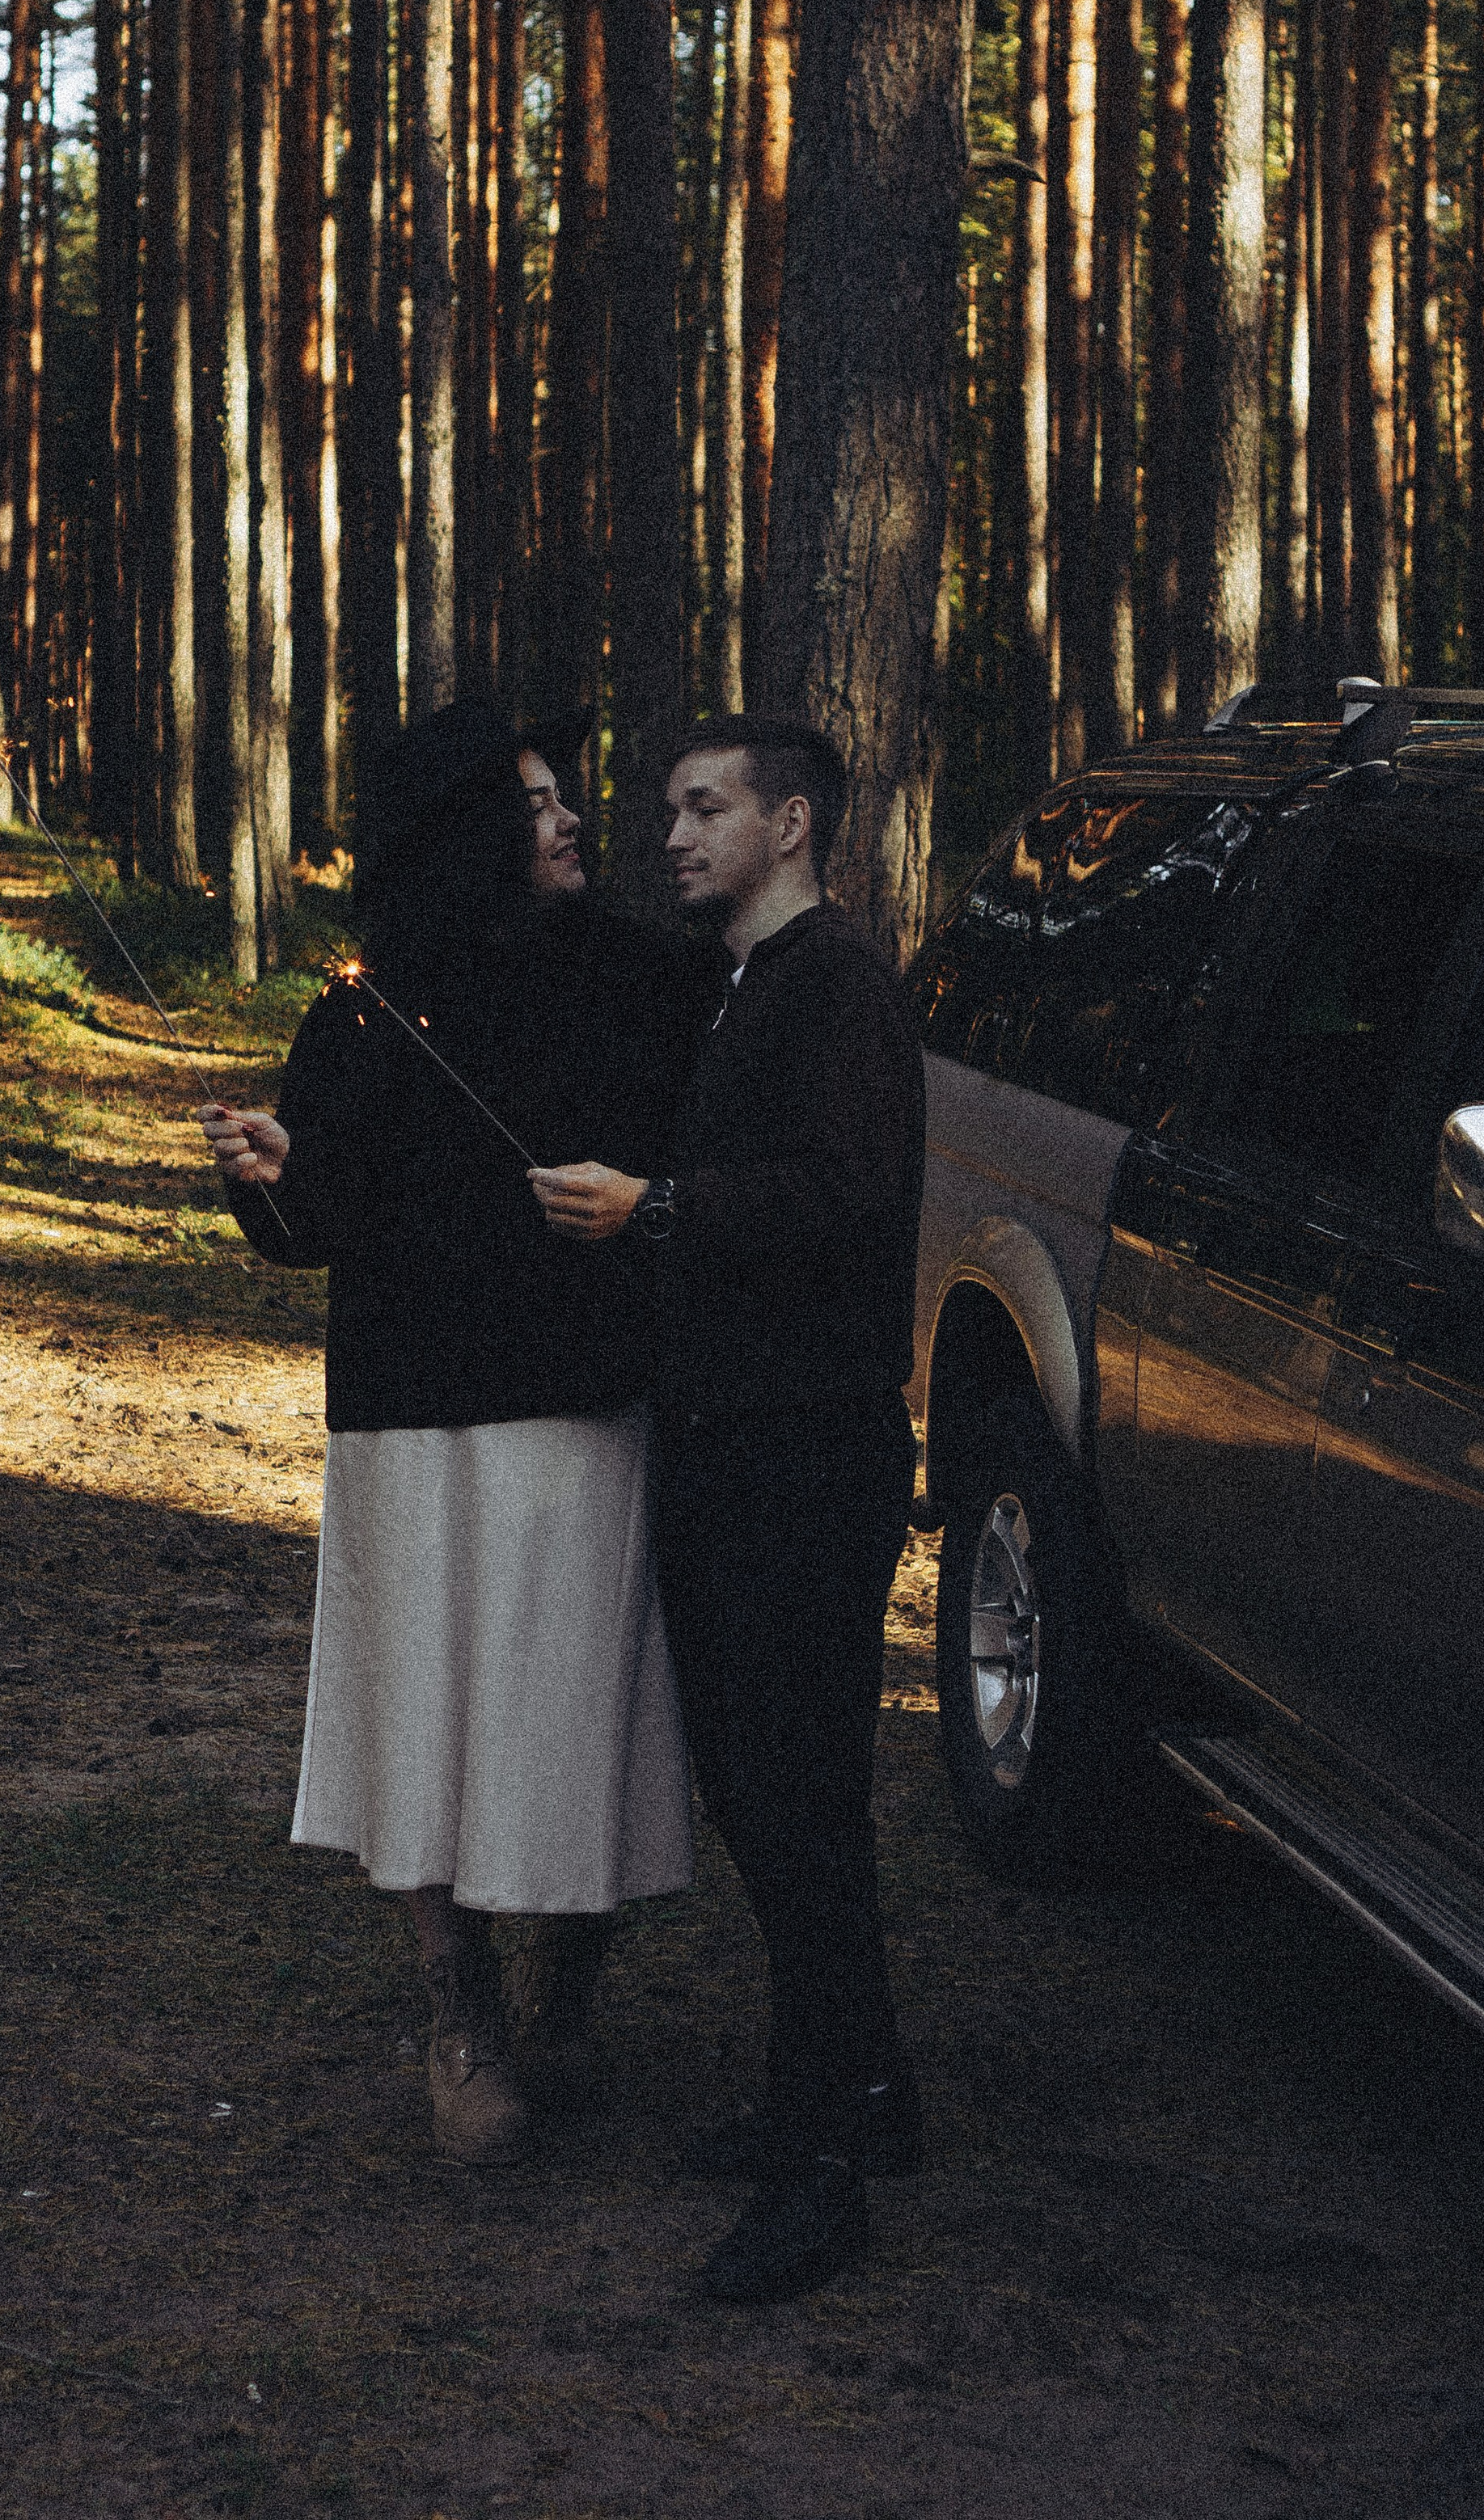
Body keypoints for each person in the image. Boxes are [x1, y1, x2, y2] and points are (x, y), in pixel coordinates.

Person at [201, 699, 702, 2168]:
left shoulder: (642, 981)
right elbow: (320, 1229)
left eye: (564, 799)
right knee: (423, 1710)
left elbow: (687, 1176)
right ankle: (457, 2009)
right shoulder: (360, 1012)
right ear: (463, 835)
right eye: (533, 804)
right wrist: (273, 1177)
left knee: (559, 1706)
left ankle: (566, 1961)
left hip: (575, 1400)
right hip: (413, 1412)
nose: (566, 824)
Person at [530, 715, 927, 2305]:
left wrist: (661, 1209)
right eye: (666, 807)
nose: (673, 834)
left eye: (705, 808)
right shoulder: (744, 987)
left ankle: (819, 2169)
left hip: (803, 1461)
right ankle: (865, 2097)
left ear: (792, 821)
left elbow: (849, 1199)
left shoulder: (837, 988)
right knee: (782, 1807)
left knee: (795, 1812)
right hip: (735, 1445)